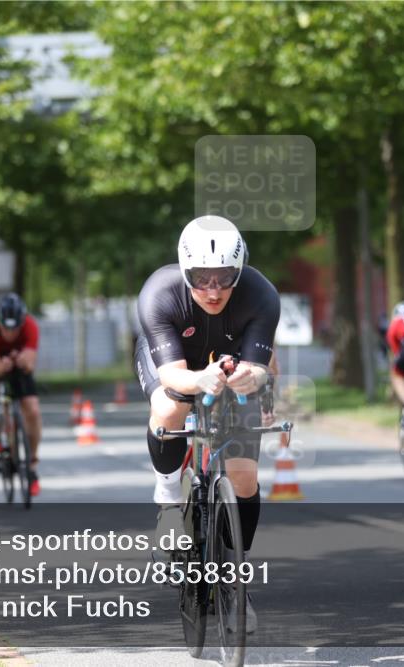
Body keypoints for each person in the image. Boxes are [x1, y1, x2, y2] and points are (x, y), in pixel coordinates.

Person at [135, 215, 280, 633]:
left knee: (245, 477)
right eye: (201, 278)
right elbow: (173, 376)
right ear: (185, 272)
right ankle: (167, 501)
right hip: (175, 361)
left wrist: (253, 379)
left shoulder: (261, 294)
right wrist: (199, 380)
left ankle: (235, 576)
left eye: (224, 278)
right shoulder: (160, 294)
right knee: (168, 408)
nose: (213, 290)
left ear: (240, 271)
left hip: (233, 362)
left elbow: (262, 367)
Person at [0, 293, 43, 496]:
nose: (11, 334)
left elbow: (30, 363)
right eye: (6, 328)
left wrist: (21, 361)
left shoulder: (31, 326)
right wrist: (2, 365)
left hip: (20, 368)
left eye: (16, 329)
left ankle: (31, 465)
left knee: (32, 409)